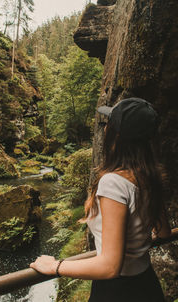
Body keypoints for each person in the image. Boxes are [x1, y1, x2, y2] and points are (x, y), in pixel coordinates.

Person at [30, 97, 171, 302]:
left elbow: (110, 266)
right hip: (147, 284)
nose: (104, 130)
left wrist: (55, 267)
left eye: (108, 124)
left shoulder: (113, 183)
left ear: (117, 135)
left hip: (117, 292)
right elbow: (164, 232)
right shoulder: (150, 175)